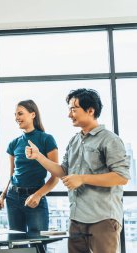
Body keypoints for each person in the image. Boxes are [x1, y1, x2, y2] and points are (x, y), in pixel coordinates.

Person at [25, 88, 130, 253]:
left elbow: (121, 177)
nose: (69, 114)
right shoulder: (74, 141)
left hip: (103, 218)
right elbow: (63, 171)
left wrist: (82, 179)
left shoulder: (110, 140)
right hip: (77, 218)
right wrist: (39, 156)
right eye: (69, 110)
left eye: (73, 109)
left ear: (90, 110)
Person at [0, 100, 59, 232]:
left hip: (35, 197)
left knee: (38, 245)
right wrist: (2, 195)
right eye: (15, 115)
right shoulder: (14, 143)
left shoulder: (47, 139)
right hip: (13, 199)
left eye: (20, 114)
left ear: (33, 114)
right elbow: (12, 175)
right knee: (17, 246)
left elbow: (55, 176)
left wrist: (38, 195)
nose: (16, 118)